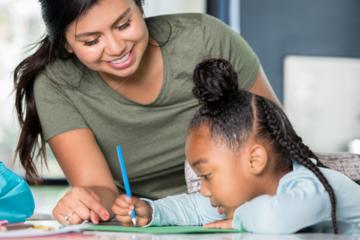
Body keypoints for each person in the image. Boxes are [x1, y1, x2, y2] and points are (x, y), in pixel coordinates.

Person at [13, 0, 279, 225]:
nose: (117, 48)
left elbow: (277, 144)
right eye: (92, 41)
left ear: (140, 7)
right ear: (66, 44)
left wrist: (252, 214)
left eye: (124, 25)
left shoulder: (206, 38)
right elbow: (101, 191)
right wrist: (89, 201)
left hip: (245, 210)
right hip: (147, 222)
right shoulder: (56, 86)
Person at [112, 59, 360, 235]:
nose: (205, 191)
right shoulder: (254, 197)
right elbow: (196, 209)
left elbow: (276, 220)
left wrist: (236, 220)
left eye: (207, 176)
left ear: (255, 160)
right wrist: (153, 212)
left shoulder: (311, 185)